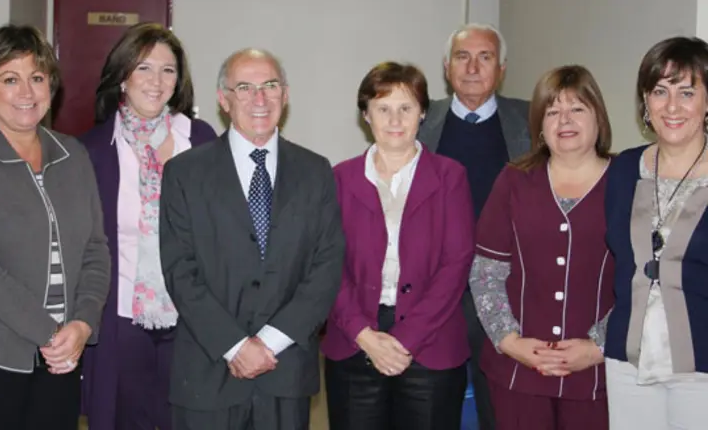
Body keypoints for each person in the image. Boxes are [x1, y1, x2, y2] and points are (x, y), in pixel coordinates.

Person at [160, 48, 345, 430]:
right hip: (208, 372)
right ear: (223, 99)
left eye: (270, 86)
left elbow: (326, 267)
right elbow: (180, 269)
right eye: (244, 88)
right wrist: (236, 346)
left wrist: (271, 343)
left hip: (285, 371)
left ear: (286, 94)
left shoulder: (316, 172)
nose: (259, 99)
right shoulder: (184, 173)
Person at [0, 24, 110, 430]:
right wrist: (50, 333)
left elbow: (95, 249)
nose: (27, 93)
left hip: (60, 360)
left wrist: (83, 325)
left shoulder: (73, 153)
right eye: (10, 79)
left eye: (37, 78)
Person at [321, 62, 475, 429]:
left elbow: (456, 264)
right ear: (365, 115)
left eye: (405, 107)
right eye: (383, 108)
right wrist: (364, 335)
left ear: (422, 112)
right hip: (354, 339)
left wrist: (405, 340)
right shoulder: (338, 178)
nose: (395, 119)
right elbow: (325, 264)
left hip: (431, 342)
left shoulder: (450, 176)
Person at [78, 23, 217, 430]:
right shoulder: (92, 150)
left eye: (168, 70)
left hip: (193, 318)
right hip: (122, 319)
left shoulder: (203, 140)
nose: (157, 82)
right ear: (122, 76)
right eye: (144, 68)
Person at [469, 65, 614, 429]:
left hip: (597, 374)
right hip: (519, 372)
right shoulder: (514, 181)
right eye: (552, 111)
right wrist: (510, 341)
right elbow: (486, 272)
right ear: (540, 125)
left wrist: (599, 346)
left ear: (598, 116)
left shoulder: (627, 181)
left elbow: (640, 281)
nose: (564, 119)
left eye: (577, 108)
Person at [416, 23, 530, 430]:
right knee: (435, 401)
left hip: (507, 287)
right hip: (435, 287)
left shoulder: (534, 118)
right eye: (463, 57)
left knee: (498, 403)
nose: (473, 66)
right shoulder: (418, 120)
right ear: (447, 67)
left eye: (485, 57)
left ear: (501, 69)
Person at [604, 36, 708, 429]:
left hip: (701, 366)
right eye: (660, 91)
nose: (673, 106)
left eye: (687, 91)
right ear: (645, 102)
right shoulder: (624, 169)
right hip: (627, 360)